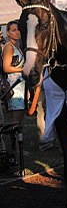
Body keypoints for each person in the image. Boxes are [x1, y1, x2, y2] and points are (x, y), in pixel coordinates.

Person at [3, 20, 27, 152]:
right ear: (7, 32)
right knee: (15, 120)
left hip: (21, 85)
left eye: (18, 29)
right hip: (14, 86)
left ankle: (18, 147)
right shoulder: (8, 47)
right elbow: (6, 68)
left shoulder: (16, 45)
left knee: (20, 119)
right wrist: (22, 70)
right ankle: (15, 149)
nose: (17, 32)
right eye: (14, 30)